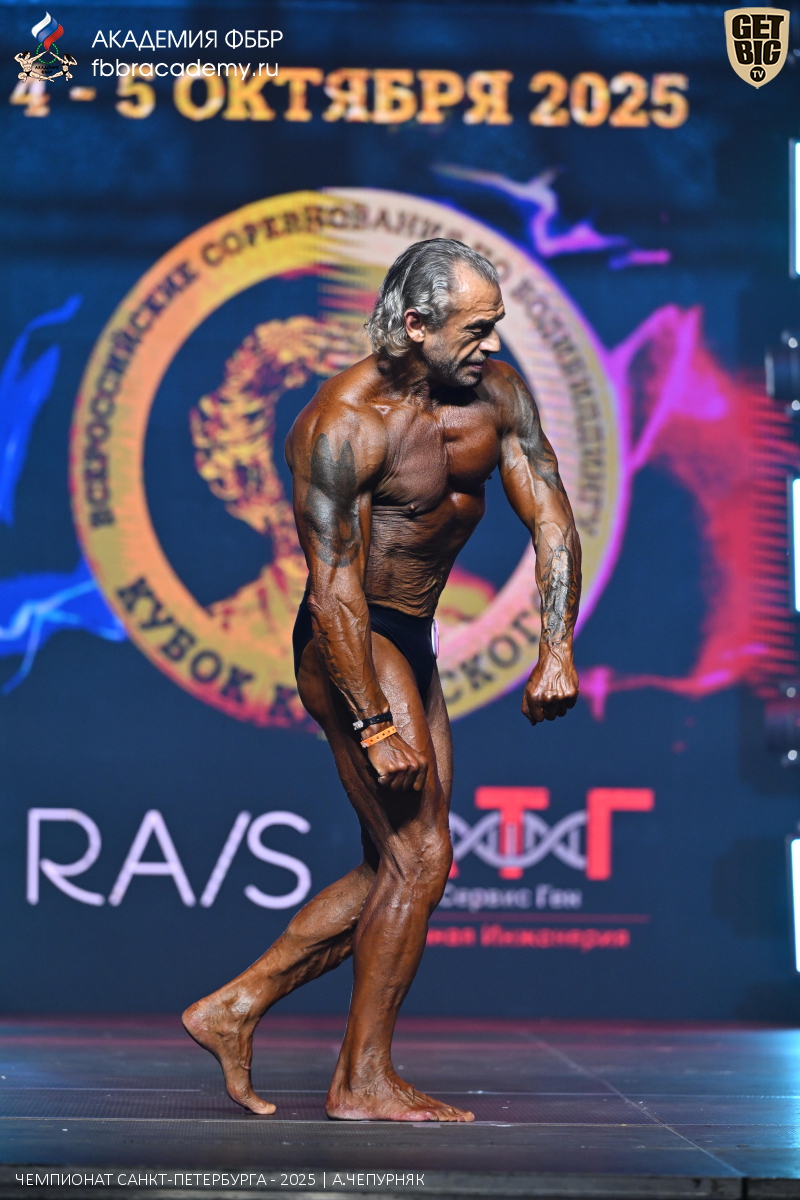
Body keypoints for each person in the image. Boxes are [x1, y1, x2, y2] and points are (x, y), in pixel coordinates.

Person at [182, 238, 581, 1123]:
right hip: (350, 640)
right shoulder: (342, 423)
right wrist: (373, 724)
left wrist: (556, 646)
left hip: (413, 637)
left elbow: (551, 516)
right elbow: (334, 590)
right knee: (420, 855)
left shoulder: (498, 396)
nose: (491, 344)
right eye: (474, 328)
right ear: (415, 324)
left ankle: (235, 1006)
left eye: (495, 325)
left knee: (399, 866)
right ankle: (360, 1080)